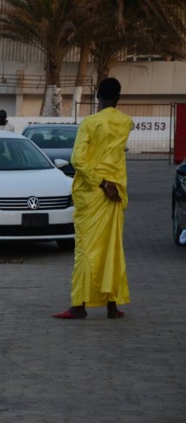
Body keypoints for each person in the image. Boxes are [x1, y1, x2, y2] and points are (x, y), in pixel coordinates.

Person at [52, 77, 133, 320]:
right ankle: (111, 304)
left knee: (86, 249)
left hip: (93, 192)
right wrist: (110, 183)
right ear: (118, 98)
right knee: (112, 248)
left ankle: (79, 305)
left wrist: (101, 182)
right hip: (116, 192)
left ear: (98, 96)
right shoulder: (126, 123)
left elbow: (78, 160)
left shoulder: (90, 123)